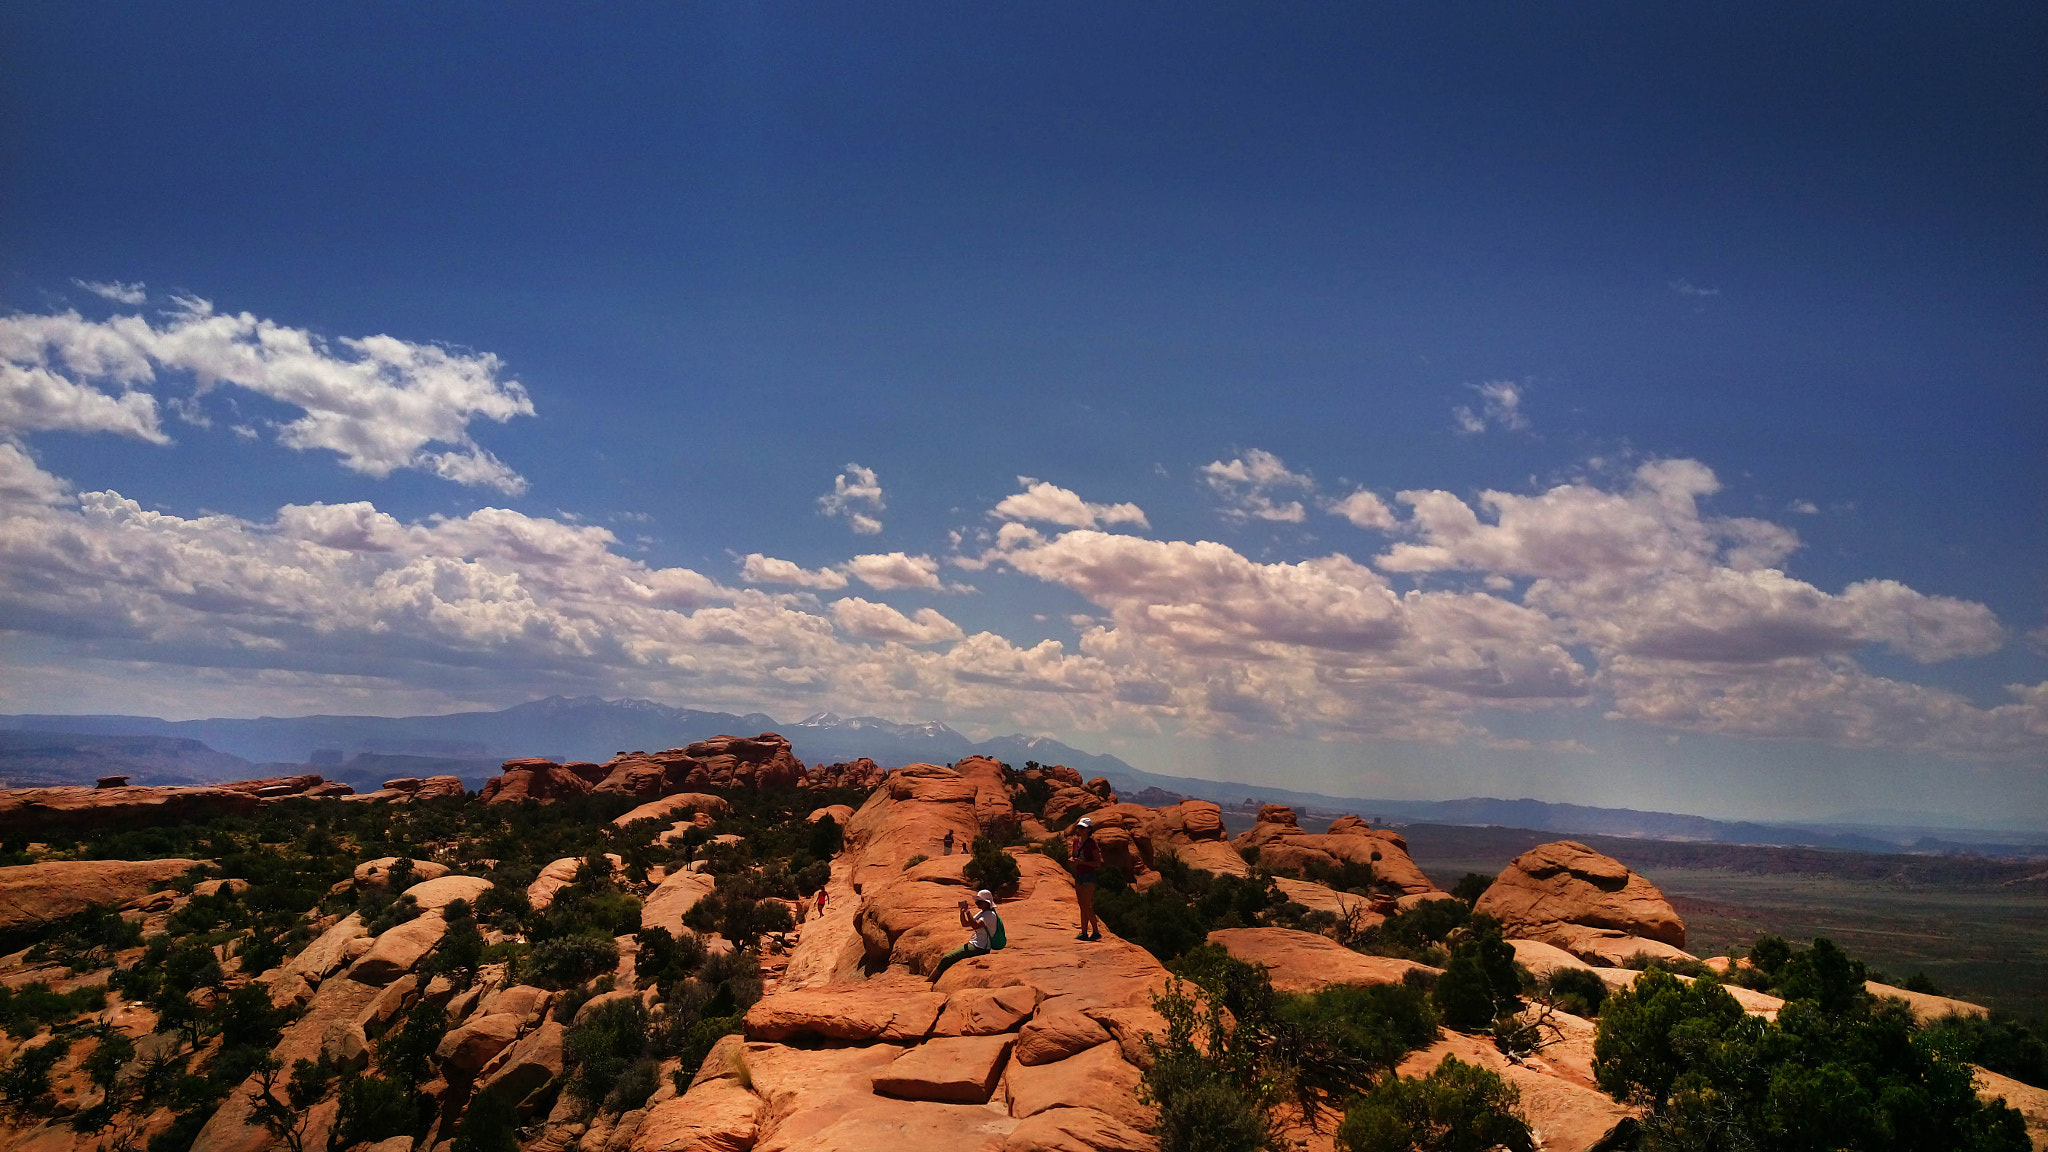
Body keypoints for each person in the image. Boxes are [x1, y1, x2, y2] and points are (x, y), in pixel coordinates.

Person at [931, 889, 1001, 982]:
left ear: (987, 902)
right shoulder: (983, 913)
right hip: (975, 944)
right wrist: (962, 912)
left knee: (946, 958)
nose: (978, 904)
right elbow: (965, 924)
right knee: (949, 958)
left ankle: (929, 982)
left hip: (980, 947)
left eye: (980, 902)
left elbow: (975, 925)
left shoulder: (990, 915)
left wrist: (968, 911)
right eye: (977, 902)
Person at [1070, 817, 1103, 941]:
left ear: (1089, 829)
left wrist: (1082, 862)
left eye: (1083, 827)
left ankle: (1096, 931)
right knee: (1081, 905)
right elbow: (1073, 855)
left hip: (1089, 875)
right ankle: (1084, 932)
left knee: (1087, 904)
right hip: (1079, 875)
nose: (1080, 829)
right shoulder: (1075, 842)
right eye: (1079, 827)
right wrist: (1072, 860)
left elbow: (1097, 863)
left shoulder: (1092, 844)